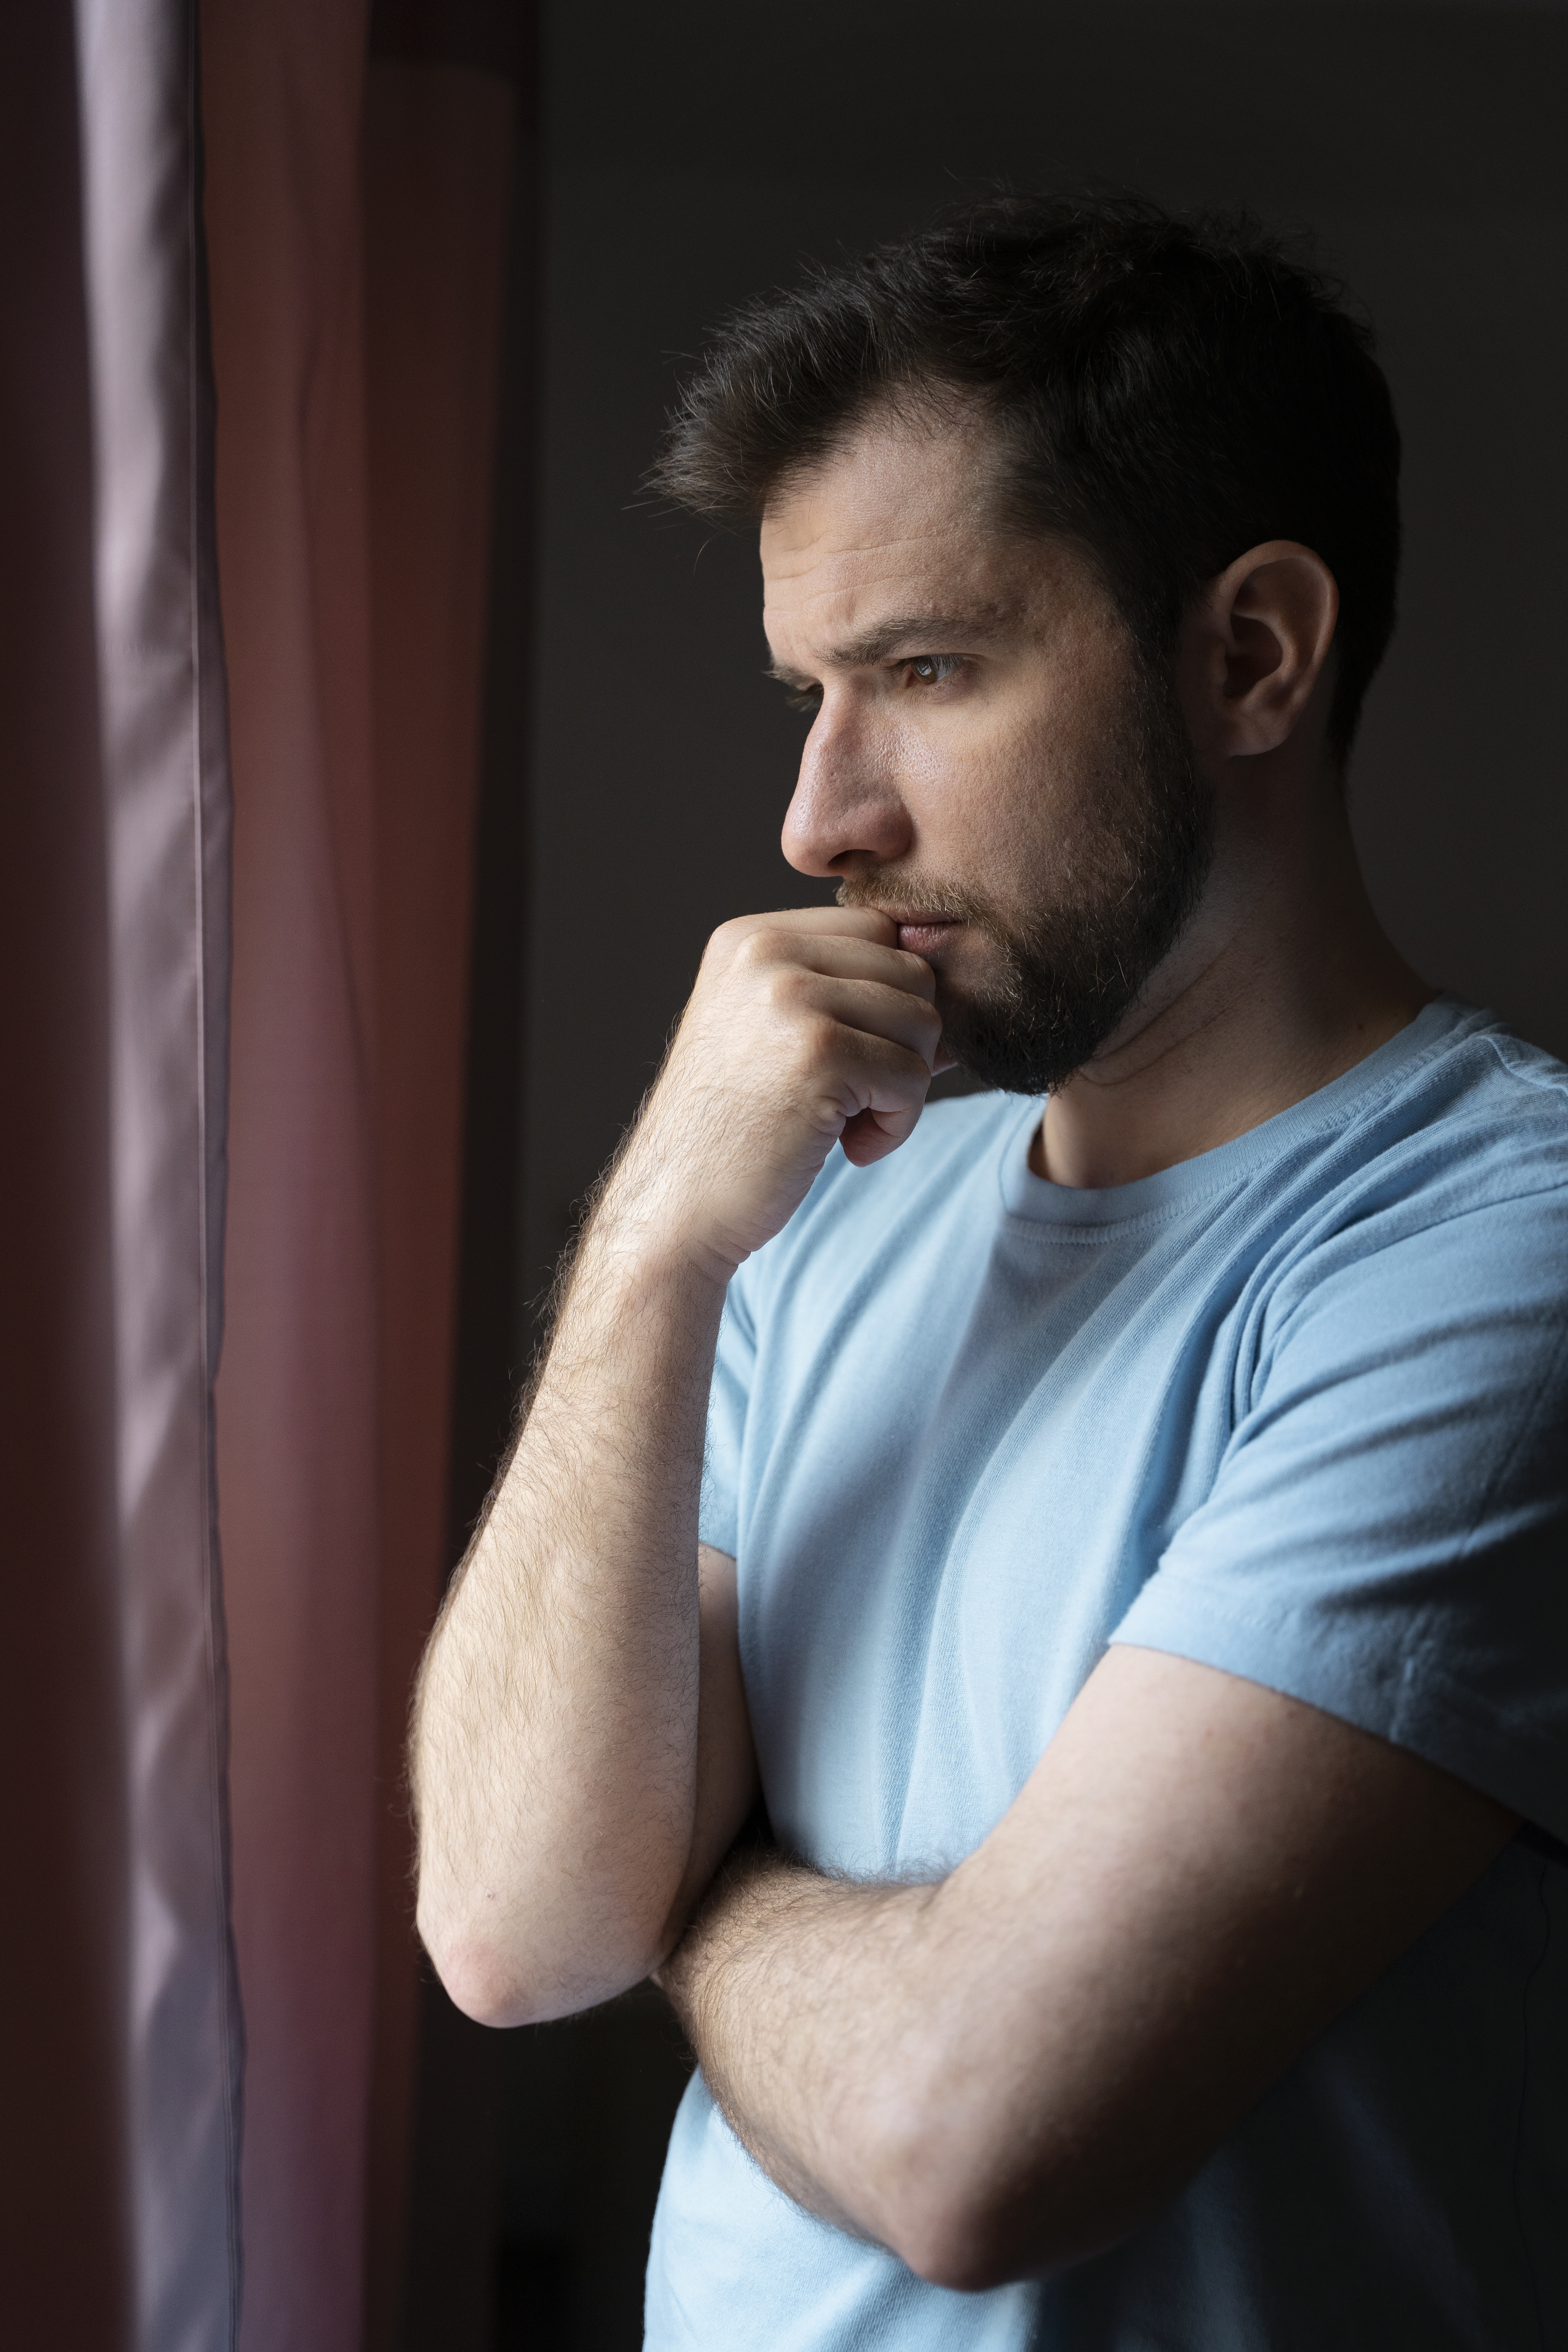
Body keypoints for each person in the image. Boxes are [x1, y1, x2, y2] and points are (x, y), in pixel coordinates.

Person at [411, 196, 1568, 2349]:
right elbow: (514, 1924)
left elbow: (974, 2141)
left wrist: (709, 1883)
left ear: (1251, 656)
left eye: (926, 671)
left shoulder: (1495, 1260)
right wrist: (656, 1243)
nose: (818, 813)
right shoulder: (819, 1204)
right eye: (806, 692)